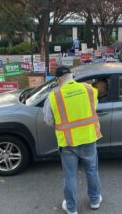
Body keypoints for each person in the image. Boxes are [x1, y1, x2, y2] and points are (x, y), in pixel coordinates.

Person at [43, 66, 103, 214]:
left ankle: (71, 208)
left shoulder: (54, 96)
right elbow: (94, 106)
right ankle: (95, 201)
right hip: (89, 137)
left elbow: (48, 120)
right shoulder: (88, 89)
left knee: (70, 175)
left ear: (58, 80)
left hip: (68, 142)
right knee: (92, 170)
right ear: (72, 75)